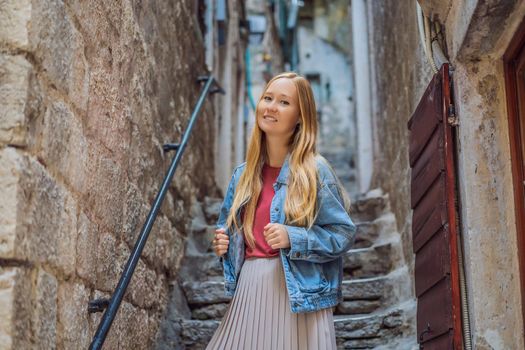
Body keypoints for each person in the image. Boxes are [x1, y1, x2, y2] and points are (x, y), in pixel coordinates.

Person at [206, 72, 356, 350]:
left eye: (284, 102)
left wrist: (293, 237)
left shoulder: (314, 171)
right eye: (268, 98)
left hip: (299, 295)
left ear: (301, 117)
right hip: (250, 289)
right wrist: (223, 244)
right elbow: (229, 233)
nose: (271, 107)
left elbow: (343, 234)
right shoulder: (242, 175)